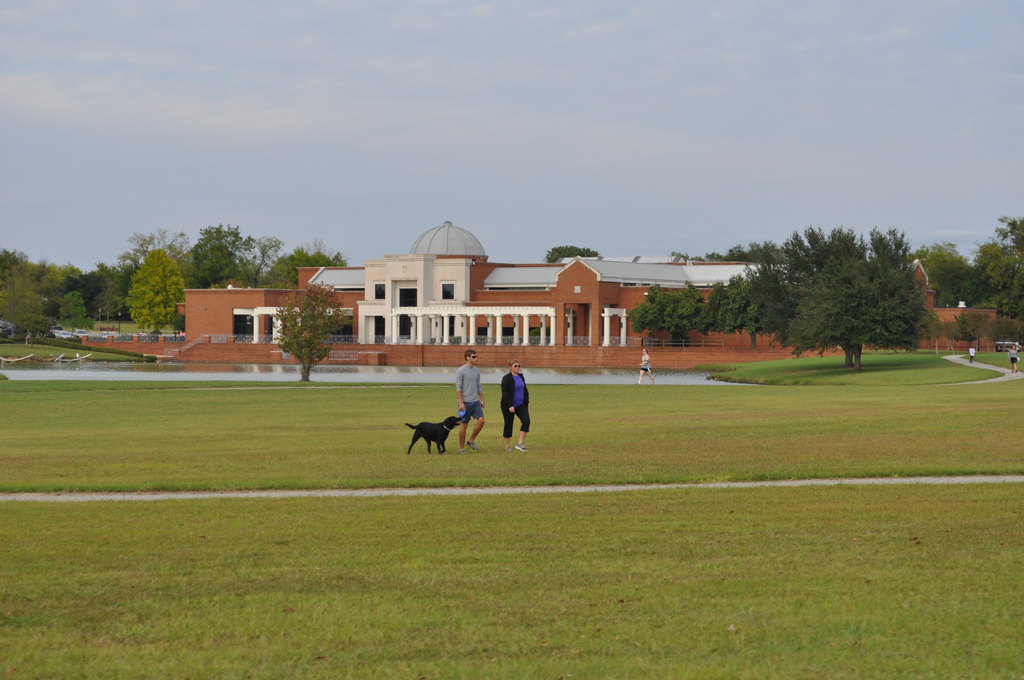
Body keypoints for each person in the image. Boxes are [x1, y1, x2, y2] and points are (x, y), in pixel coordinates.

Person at [455, 348, 485, 453]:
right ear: (467, 358)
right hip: (465, 402)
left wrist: (482, 399)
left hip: (475, 401)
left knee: (481, 421)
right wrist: (461, 403)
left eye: (476, 356)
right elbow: (458, 388)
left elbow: (479, 386)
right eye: (474, 357)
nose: (476, 358)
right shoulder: (460, 371)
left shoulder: (476, 370)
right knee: (464, 424)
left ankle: (471, 441)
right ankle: (462, 448)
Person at [500, 359, 531, 452]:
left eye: (518, 366)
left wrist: (526, 402)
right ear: (510, 367)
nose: (517, 368)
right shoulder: (506, 378)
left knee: (526, 421)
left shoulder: (521, 376)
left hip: (521, 404)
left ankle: (520, 443)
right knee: (509, 424)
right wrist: (510, 405)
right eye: (515, 366)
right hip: (508, 406)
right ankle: (507, 446)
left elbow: (524, 389)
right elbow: (505, 393)